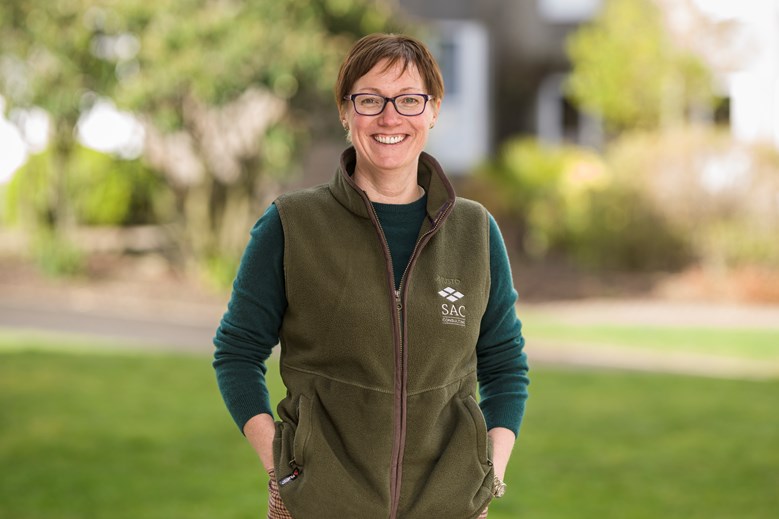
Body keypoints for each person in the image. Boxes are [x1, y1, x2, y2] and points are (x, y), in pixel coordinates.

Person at [213, 33, 529, 519]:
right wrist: (282, 468)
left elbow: (505, 364)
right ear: (345, 112)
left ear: (433, 110)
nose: (389, 117)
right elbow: (237, 351)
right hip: (317, 506)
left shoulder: (475, 231)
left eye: (408, 99)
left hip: (451, 507)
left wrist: (489, 470)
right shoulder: (291, 224)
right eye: (369, 100)